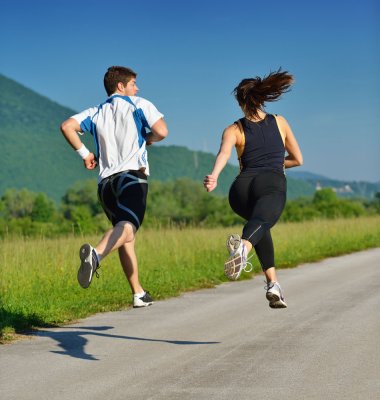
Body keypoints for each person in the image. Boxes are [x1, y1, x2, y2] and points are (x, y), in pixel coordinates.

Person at [60, 66, 168, 308]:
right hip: (131, 178)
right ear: (121, 86)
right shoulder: (138, 103)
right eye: (133, 84)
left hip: (105, 186)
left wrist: (85, 154)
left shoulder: (96, 111)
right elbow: (162, 131)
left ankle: (138, 293)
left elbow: (66, 126)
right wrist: (149, 139)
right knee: (127, 229)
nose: (136, 88)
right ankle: (96, 255)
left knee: (124, 235)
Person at [203, 69, 303, 309]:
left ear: (240, 102)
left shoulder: (233, 129)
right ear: (263, 98)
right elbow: (297, 159)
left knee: (260, 224)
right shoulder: (280, 122)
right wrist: (278, 163)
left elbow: (223, 154)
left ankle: (273, 285)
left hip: (240, 191)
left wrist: (214, 177)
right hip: (270, 184)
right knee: (260, 224)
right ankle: (242, 250)